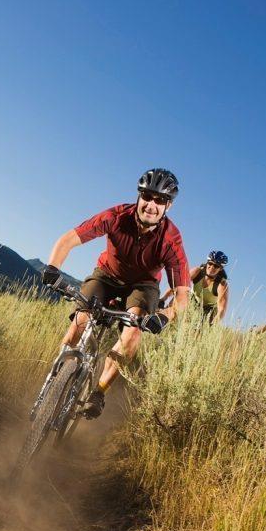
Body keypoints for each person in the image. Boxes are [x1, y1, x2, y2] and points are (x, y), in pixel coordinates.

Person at [41, 168, 190, 419]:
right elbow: (69, 239)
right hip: (106, 274)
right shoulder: (117, 216)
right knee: (81, 320)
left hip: (143, 285)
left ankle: (98, 392)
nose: (151, 205)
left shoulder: (170, 240)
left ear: (168, 206)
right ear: (139, 196)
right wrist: (52, 268)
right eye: (147, 196)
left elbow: (183, 295)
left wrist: (165, 315)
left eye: (160, 200)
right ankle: (55, 378)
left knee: (132, 333)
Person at [163, 249, 229, 323]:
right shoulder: (197, 272)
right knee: (182, 293)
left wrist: (214, 322)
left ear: (221, 268)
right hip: (194, 301)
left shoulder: (222, 284)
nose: (212, 267)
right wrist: (164, 298)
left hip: (209, 309)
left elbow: (222, 309)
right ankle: (165, 319)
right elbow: (179, 285)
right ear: (207, 263)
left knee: (199, 328)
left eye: (216, 266)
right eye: (210, 263)